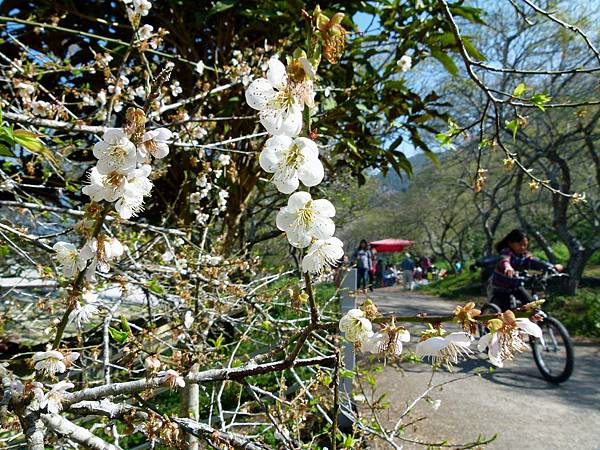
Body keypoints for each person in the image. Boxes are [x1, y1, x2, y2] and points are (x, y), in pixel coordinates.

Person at [491, 229, 563, 311]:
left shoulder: (525, 256)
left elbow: (537, 262)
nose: (523, 247)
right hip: (502, 288)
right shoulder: (506, 252)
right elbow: (504, 260)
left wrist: (552, 267)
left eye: (525, 245)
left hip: (517, 285)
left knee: (530, 305)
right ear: (510, 243)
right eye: (520, 244)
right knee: (506, 313)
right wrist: (508, 267)